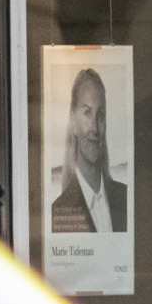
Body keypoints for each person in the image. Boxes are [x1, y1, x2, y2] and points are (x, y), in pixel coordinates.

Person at [50, 68, 127, 233]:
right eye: (87, 113)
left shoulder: (125, 197)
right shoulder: (58, 212)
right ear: (73, 120)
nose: (95, 128)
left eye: (101, 114)